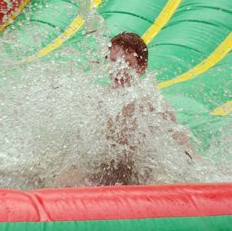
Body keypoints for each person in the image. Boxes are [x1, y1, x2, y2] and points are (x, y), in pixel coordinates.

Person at [55, 32, 196, 186]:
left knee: (161, 179)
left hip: (138, 167)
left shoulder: (151, 101)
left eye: (127, 63)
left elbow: (179, 137)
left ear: (141, 68)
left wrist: (196, 165)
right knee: (65, 179)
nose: (118, 69)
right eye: (114, 62)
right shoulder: (99, 96)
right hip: (104, 164)